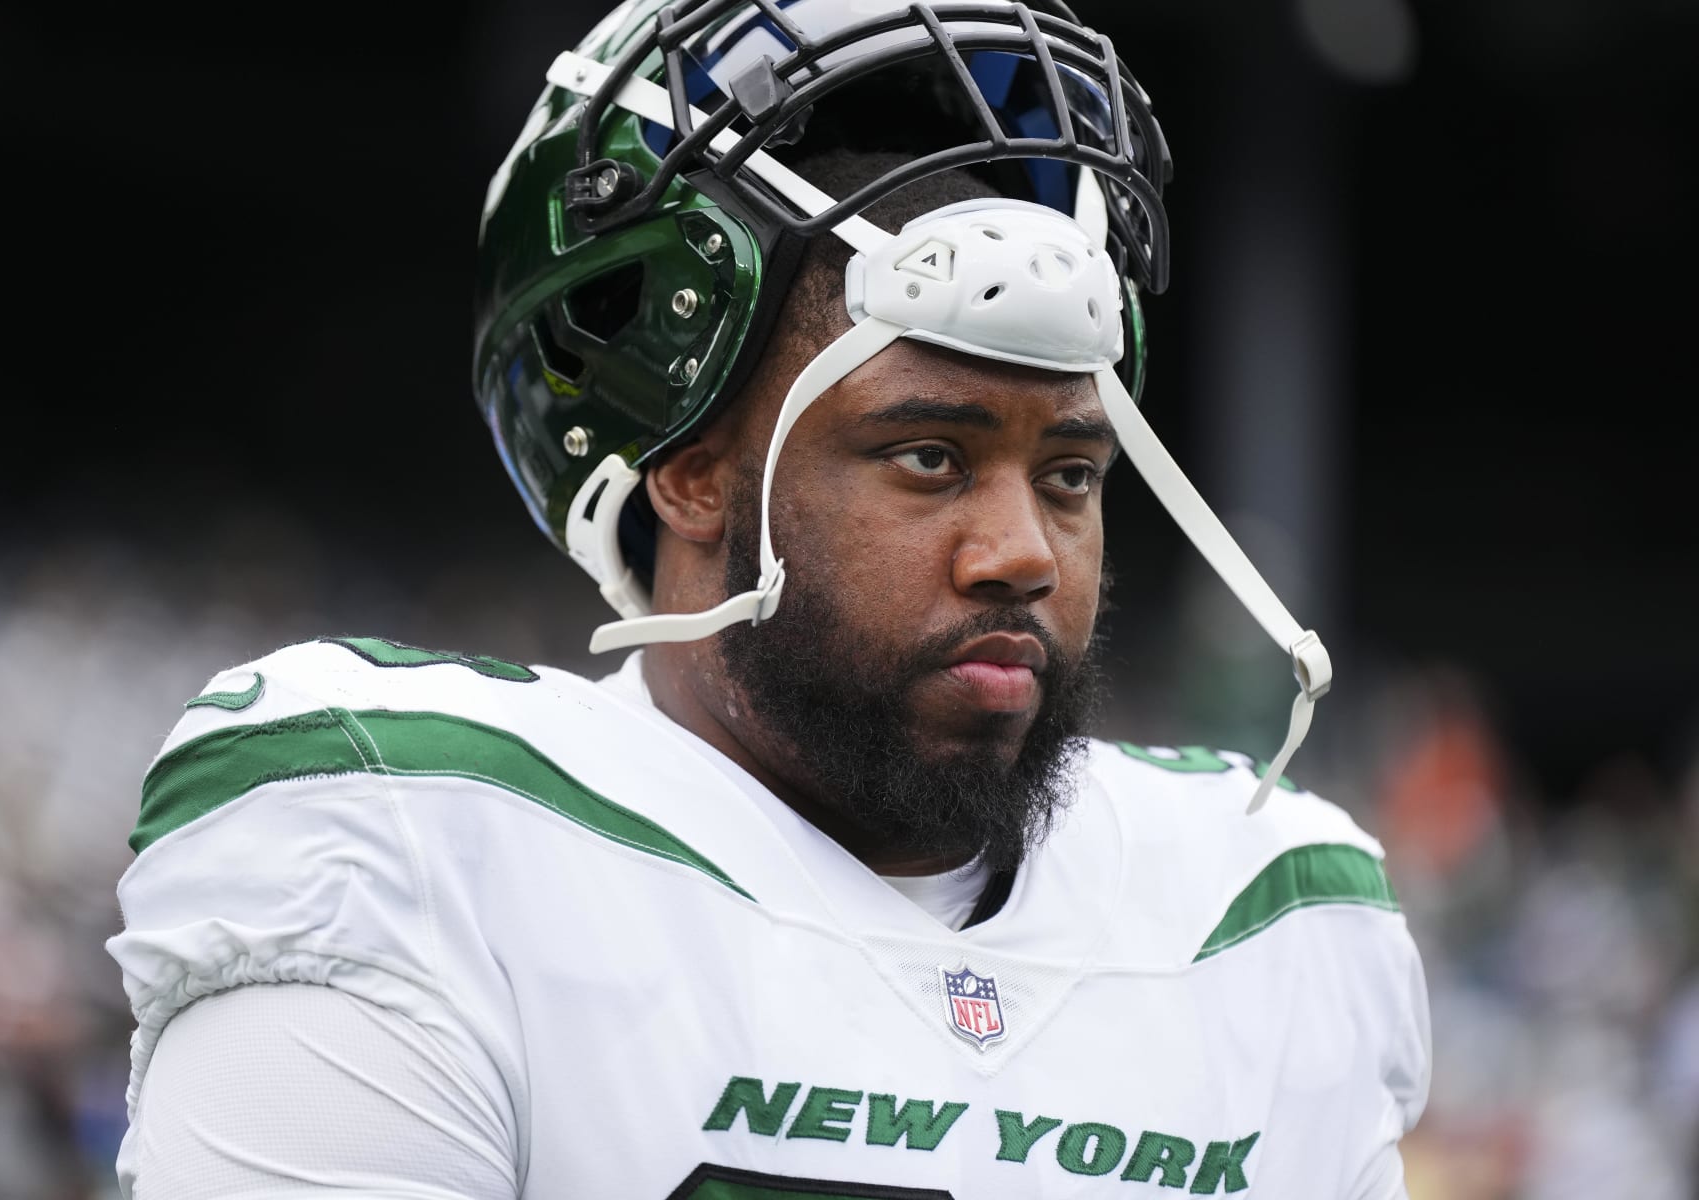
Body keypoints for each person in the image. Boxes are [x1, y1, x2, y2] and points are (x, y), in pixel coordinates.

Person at [106, 0, 1431, 1195]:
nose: (1023, 550)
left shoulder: (1264, 917)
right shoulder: (415, 843)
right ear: (691, 475)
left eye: (1072, 472)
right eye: (931, 457)